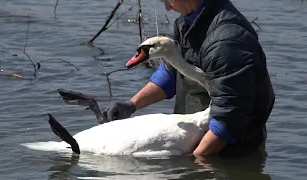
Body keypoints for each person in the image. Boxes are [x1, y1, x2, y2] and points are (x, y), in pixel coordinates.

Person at [103, 0, 275, 157]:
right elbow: (172, 72)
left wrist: (192, 164)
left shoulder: (227, 42)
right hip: (196, 139)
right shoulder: (189, 21)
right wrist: (132, 104)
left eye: (167, 0)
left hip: (227, 151)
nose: (167, 7)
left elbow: (229, 121)